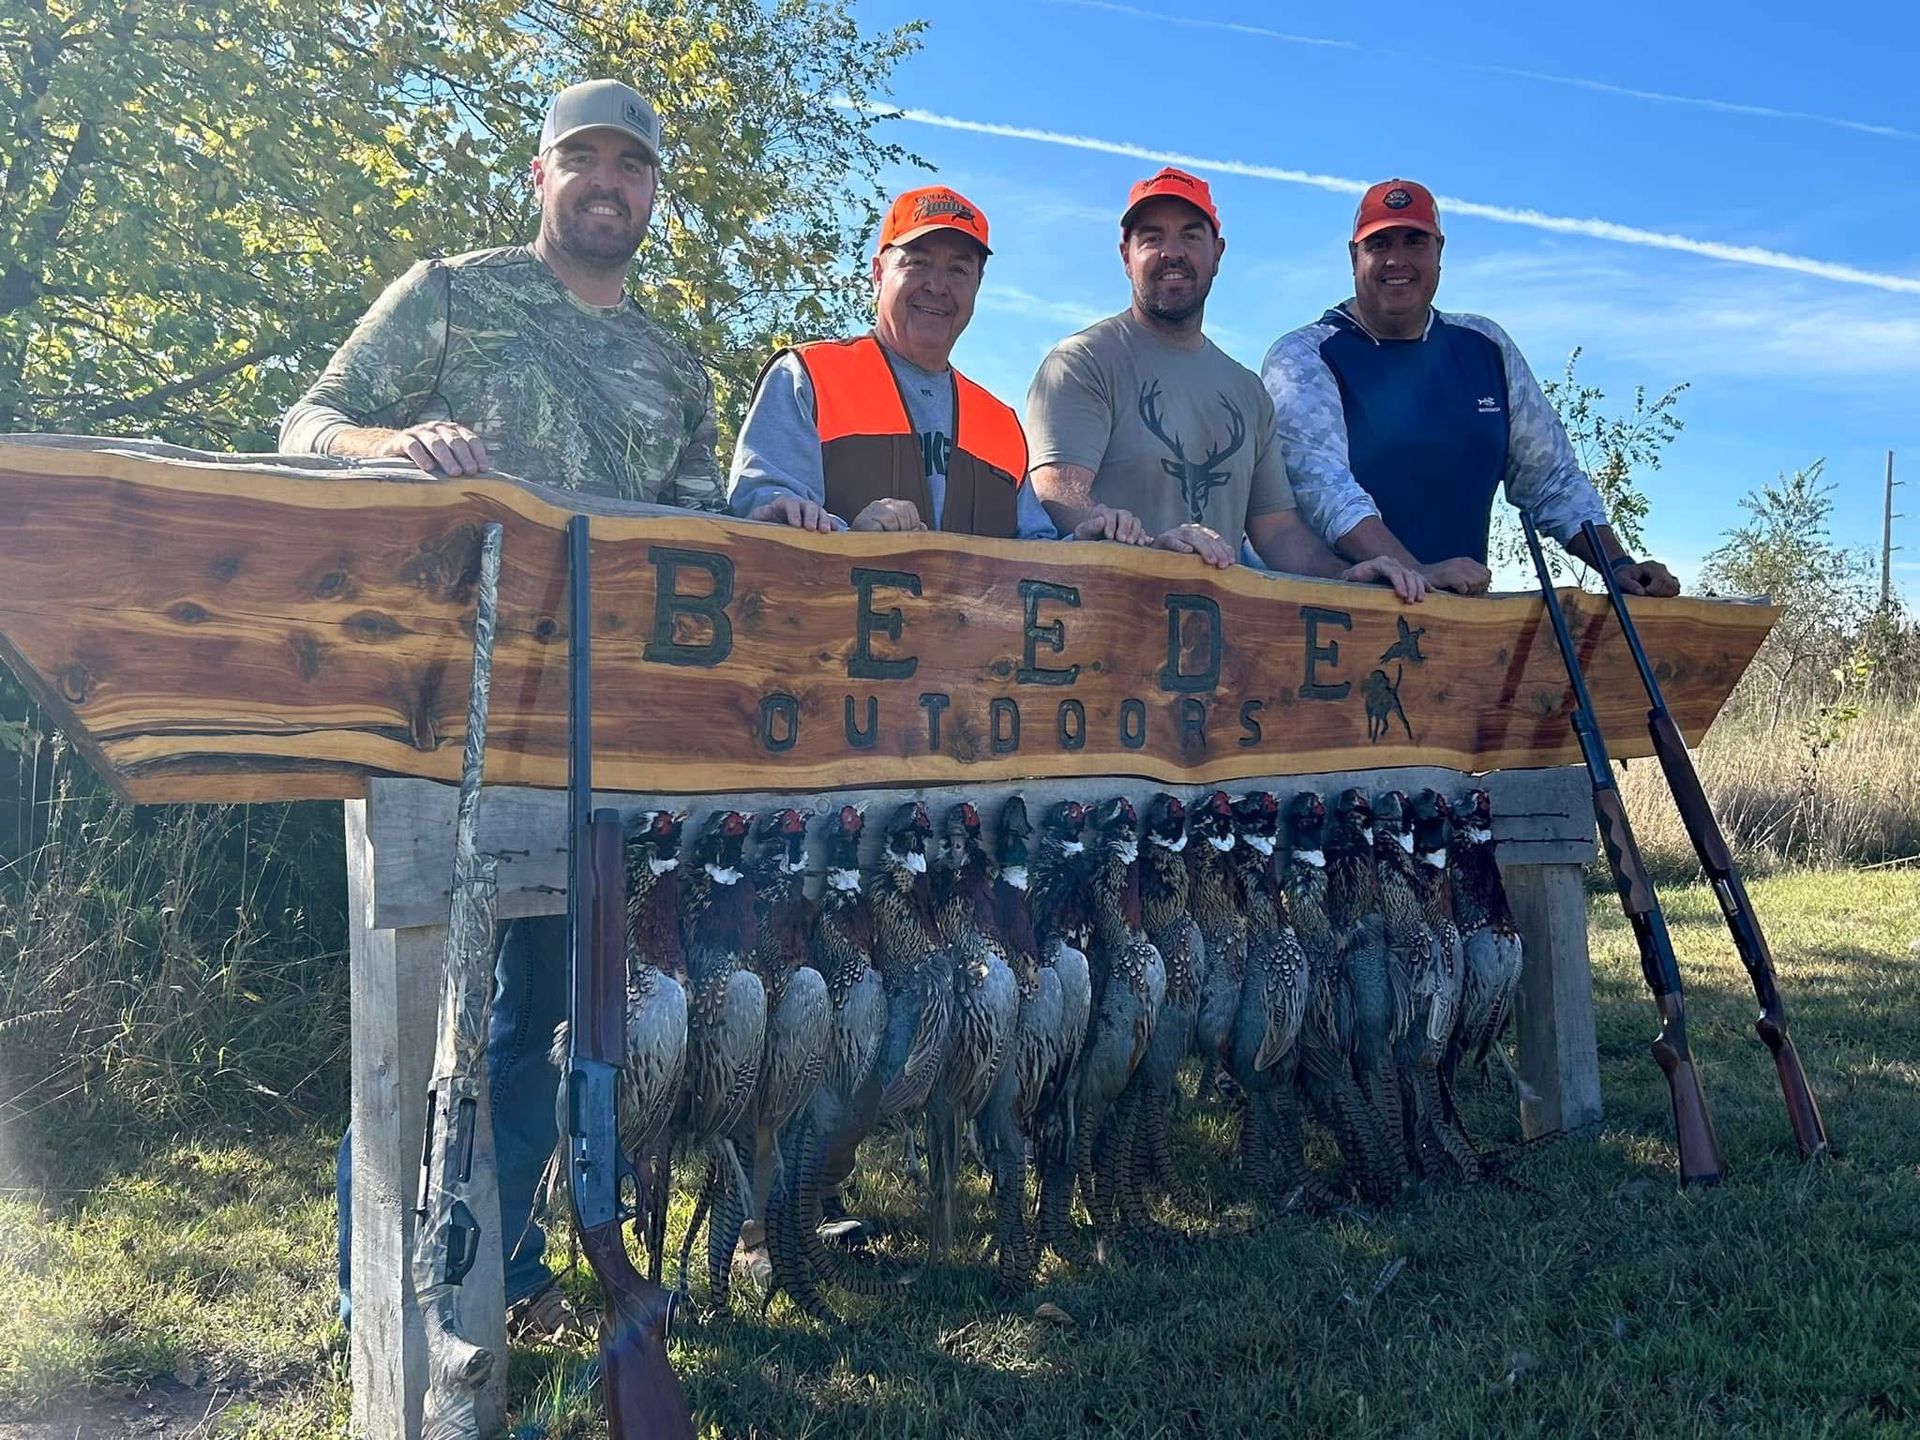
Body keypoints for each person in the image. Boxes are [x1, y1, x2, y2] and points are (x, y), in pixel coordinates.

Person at [280, 78, 719, 1336]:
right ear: (540, 175)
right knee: (420, 1029)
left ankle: (507, 1271)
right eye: (582, 158)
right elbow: (303, 423)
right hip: (436, 723)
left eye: (630, 167)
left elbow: (696, 541)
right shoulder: (450, 293)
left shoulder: (667, 362)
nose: (607, 183)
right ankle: (383, 1296)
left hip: (589, 738)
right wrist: (391, 446)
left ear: (650, 194)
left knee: (539, 1019)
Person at [1261, 178, 1680, 597]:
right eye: (1379, 244)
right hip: (1327, 615)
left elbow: (1552, 479)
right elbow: (1325, 488)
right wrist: (1415, 572)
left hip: (1455, 619)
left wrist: (1618, 565)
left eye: (1414, 241)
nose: (1397, 260)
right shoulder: (1304, 357)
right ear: (1354, 257)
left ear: (1439, 251)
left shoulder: (1486, 345)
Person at [1023, 166, 1424, 600]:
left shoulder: (1247, 392)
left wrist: (1347, 574)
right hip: (1108, 632)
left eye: (1190, 236)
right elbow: (1058, 489)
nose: (1171, 253)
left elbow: (1278, 531)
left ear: (1217, 253)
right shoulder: (1083, 361)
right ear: (1126, 256)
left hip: (1215, 647)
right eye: (1152, 238)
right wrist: (1142, 548)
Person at [729, 184, 1130, 541]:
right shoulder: (808, 376)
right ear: (878, 273)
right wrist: (853, 539)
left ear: (977, 285)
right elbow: (766, 516)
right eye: (917, 262)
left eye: (957, 269)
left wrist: (1094, 542)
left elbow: (1033, 559)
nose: (937, 287)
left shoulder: (1000, 424)